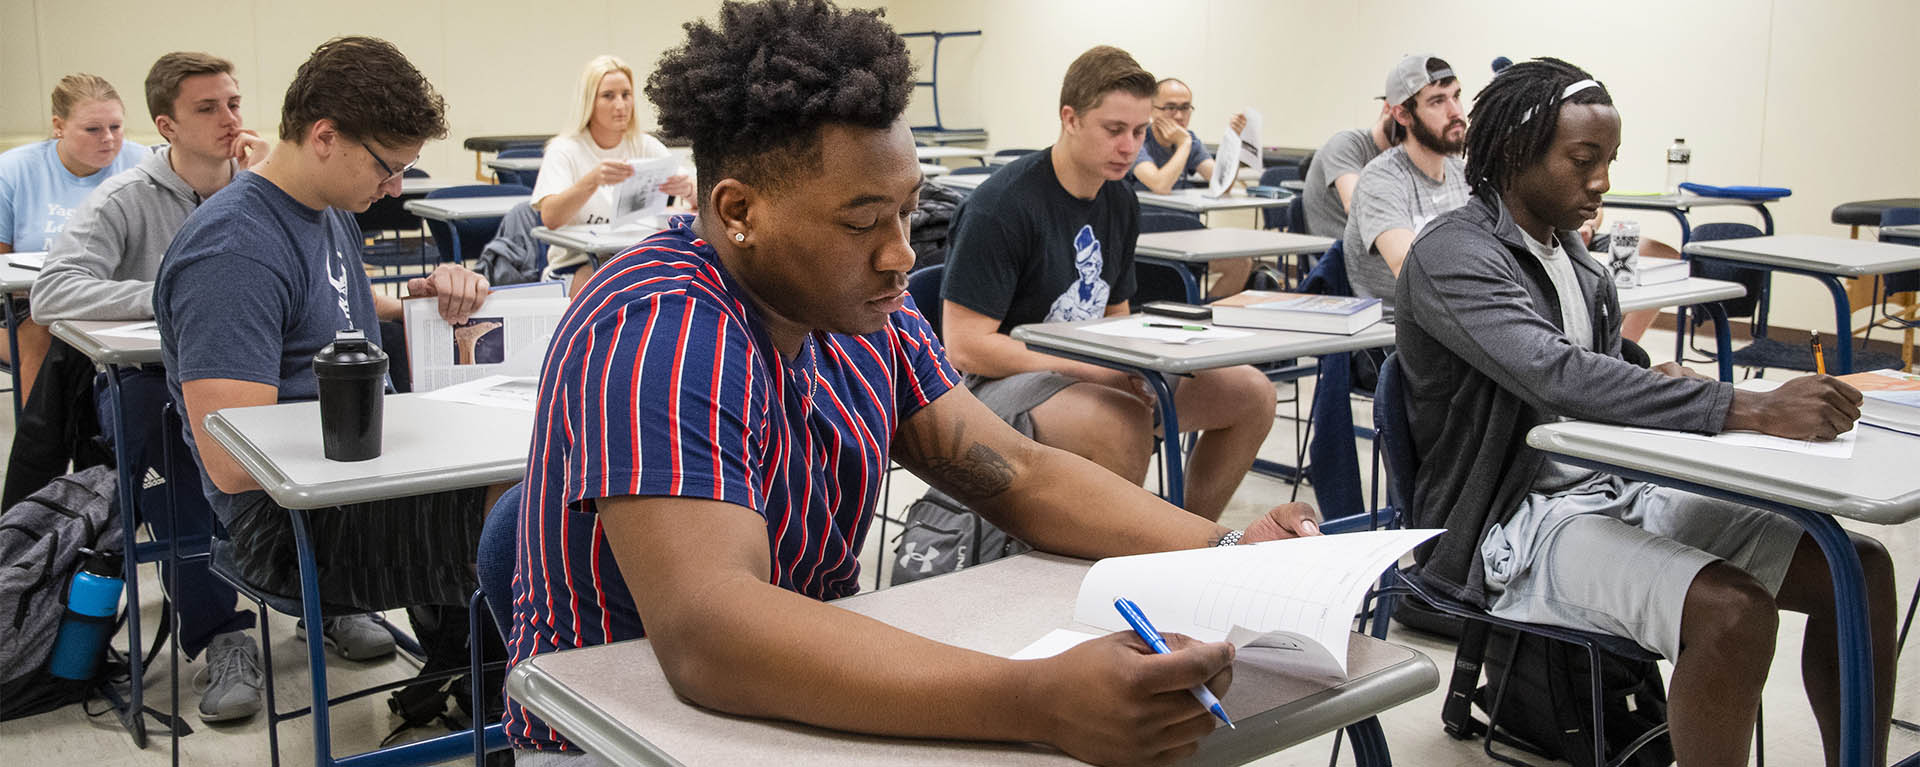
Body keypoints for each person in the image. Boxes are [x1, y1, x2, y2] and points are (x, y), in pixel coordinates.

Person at [503, 4, 1320, 766]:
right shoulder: (664, 329)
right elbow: (715, 629)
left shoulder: (864, 317)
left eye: (907, 211)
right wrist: (1036, 698)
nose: (901, 254)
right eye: (863, 223)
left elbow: (1020, 474)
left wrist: (1223, 549)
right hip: (614, 733)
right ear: (739, 209)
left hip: (784, 697)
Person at [1396, 57, 1897, 767]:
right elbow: (1557, 373)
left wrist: (1654, 374)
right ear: (1513, 153)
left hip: (1611, 486)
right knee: (1733, 612)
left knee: (1860, 566)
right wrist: (1747, 407)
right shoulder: (1456, 254)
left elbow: (1594, 362)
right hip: (1512, 523)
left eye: (1609, 159)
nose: (1600, 180)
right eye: (1582, 159)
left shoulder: (1577, 261)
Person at [155, 36, 501, 728]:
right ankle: (500, 702)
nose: (396, 188)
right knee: (529, 509)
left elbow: (339, 316)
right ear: (324, 137)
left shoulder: (326, 214)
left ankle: (479, 682)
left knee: (532, 490)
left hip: (359, 487)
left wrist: (431, 301)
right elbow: (230, 461)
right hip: (288, 526)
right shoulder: (234, 249)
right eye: (388, 167)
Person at [25, 52, 272, 723]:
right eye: (207, 108)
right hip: (154, 380)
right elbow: (51, 292)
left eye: (234, 103)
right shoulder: (125, 199)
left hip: (260, 369)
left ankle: (330, 603)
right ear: (166, 124)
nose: (230, 120)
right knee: (169, 444)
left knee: (331, 418)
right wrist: (171, 294)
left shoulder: (265, 186)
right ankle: (219, 635)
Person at [941, 47, 1276, 523]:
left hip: (1084, 367)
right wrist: (1094, 370)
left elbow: (1115, 311)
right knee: (1123, 421)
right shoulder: (1002, 206)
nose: (1129, 147)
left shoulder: (1118, 198)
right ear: (1070, 119)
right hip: (995, 387)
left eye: (1139, 132)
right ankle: (1115, 557)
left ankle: (1183, 541)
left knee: (1252, 393)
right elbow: (966, 349)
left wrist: (1129, 362)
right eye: (1114, 130)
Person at [0, 73, 148, 402]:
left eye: (116, 127)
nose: (108, 139)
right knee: (45, 335)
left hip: (113, 295)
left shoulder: (144, 165)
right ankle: (41, 449)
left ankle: (114, 444)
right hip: (29, 305)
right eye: (93, 129)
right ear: (59, 126)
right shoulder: (12, 171)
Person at [530, 55, 693, 291]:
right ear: (589, 102)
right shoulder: (564, 150)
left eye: (626, 95)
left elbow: (701, 194)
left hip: (636, 258)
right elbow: (551, 218)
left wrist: (687, 188)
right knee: (601, 285)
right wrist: (593, 180)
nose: (620, 105)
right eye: (608, 96)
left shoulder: (644, 144)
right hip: (578, 265)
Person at [1342, 54, 1469, 309]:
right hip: (1400, 334)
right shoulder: (1381, 179)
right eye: (1437, 101)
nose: (1455, 112)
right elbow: (1412, 271)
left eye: (1455, 96)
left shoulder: (1463, 174)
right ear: (1402, 114)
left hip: (1460, 316)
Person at [1129, 77, 1249, 298]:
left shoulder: (1188, 139)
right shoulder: (1137, 138)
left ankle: (1206, 314)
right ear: (1151, 110)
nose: (1179, 116)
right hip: (1147, 234)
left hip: (1185, 233)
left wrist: (1233, 140)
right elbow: (1159, 184)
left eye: (1185, 108)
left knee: (1240, 264)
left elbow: (1222, 184)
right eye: (1170, 108)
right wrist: (1183, 144)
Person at [1301, 102, 1392, 239]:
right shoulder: (1345, 143)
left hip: (1377, 247)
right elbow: (1355, 204)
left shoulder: (1402, 157)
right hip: (1338, 252)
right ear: (1388, 108)